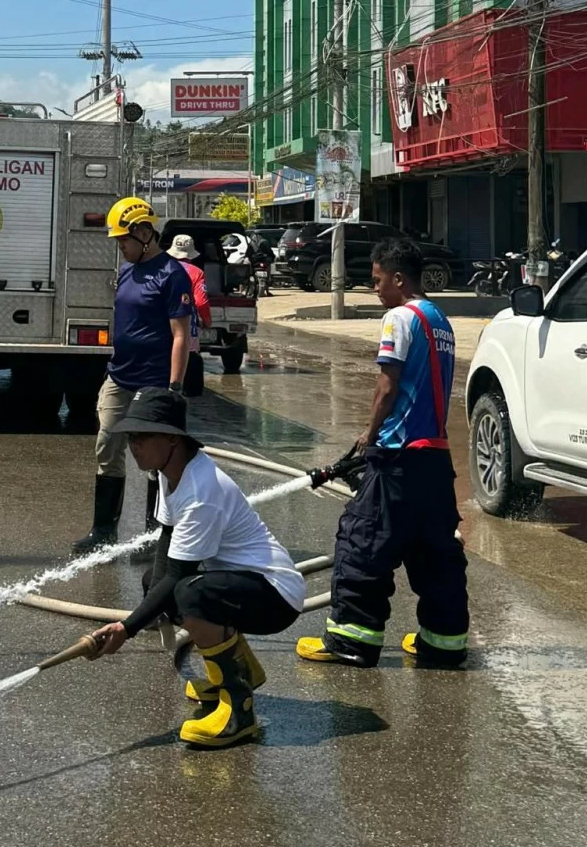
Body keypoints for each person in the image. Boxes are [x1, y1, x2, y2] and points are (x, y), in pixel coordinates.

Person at [88, 388, 304, 748]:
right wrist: (151, 604)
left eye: (142, 436)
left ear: (172, 440)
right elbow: (166, 542)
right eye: (130, 436)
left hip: (276, 594)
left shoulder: (202, 491)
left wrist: (126, 628)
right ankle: (241, 670)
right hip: (246, 584)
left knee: (188, 593)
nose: (133, 445)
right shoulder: (168, 473)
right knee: (158, 588)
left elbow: (178, 576)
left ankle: (239, 710)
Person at [295, 235, 469, 668]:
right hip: (434, 458)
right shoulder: (439, 319)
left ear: (397, 278)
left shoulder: (398, 317)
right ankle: (444, 644)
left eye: (376, 281)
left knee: (362, 541)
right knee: (434, 553)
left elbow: (387, 386)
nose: (374, 289)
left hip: (398, 457)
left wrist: (368, 436)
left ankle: (352, 641)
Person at [71, 199, 193, 554]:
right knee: (107, 445)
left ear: (144, 233)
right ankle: (103, 531)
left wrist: (174, 388)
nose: (120, 247)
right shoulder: (127, 270)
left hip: (154, 383)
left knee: (155, 460)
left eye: (123, 240)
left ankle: (154, 538)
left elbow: (181, 336)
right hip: (119, 377)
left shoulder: (173, 275)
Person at [166, 234, 211, 398]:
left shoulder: (161, 269)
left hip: (159, 333)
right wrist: (206, 320)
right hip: (186, 334)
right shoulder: (196, 272)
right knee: (187, 385)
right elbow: (201, 302)